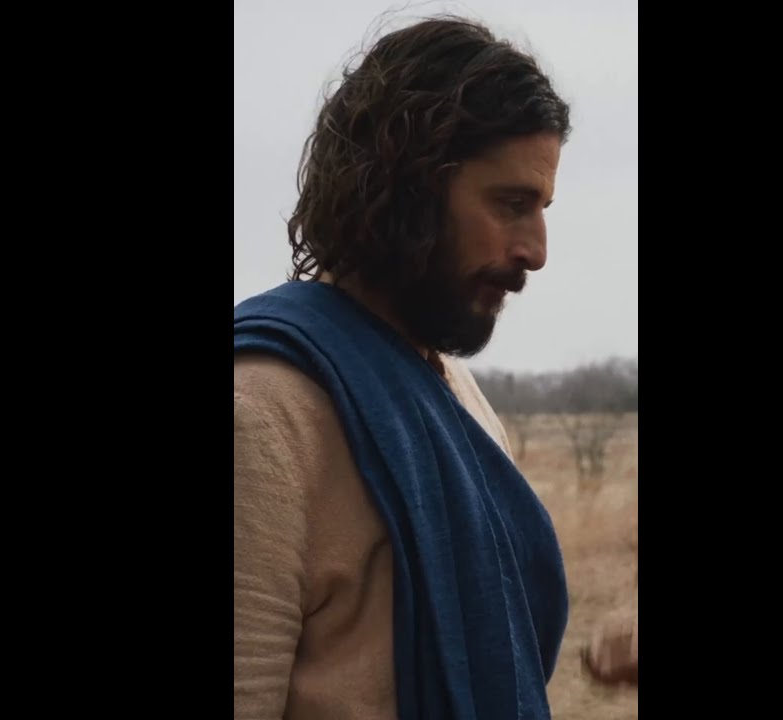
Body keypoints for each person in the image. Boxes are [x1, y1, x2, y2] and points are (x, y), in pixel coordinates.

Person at [233, 16, 572, 720]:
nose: (537, 251)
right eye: (511, 204)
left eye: (541, 209)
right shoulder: (260, 413)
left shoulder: (457, 391)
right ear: (408, 189)